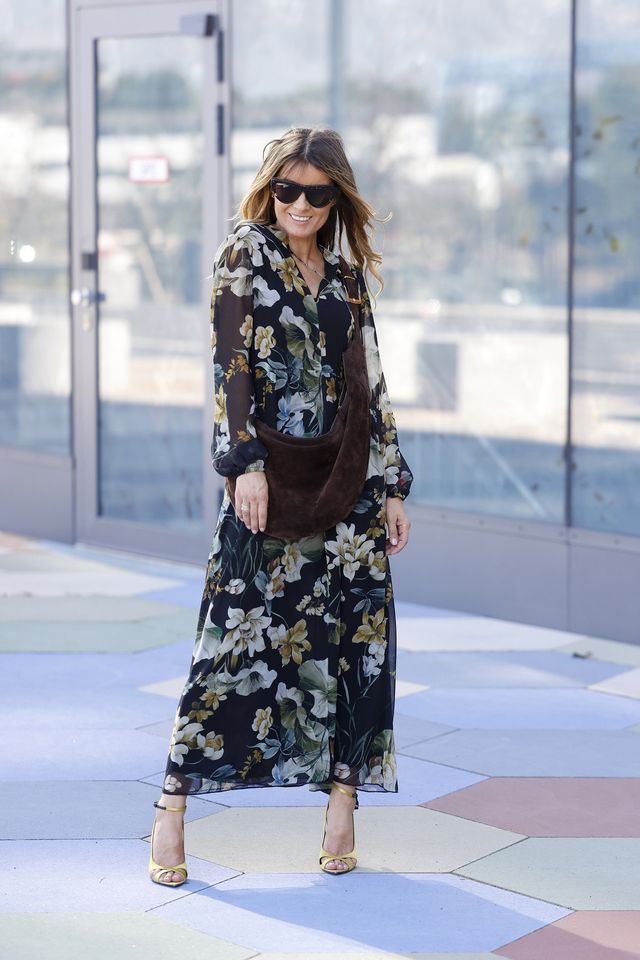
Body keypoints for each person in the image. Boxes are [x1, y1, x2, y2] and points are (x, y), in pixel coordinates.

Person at [148, 125, 413, 884]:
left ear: (337, 199)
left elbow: (372, 383)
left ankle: (341, 807)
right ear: (269, 190)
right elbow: (229, 365)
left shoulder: (346, 276)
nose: (300, 204)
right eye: (287, 189)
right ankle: (171, 807)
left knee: (356, 645)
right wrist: (244, 465)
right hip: (271, 483)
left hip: (351, 488)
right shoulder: (245, 253)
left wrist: (393, 483)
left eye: (317, 194)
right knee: (232, 640)